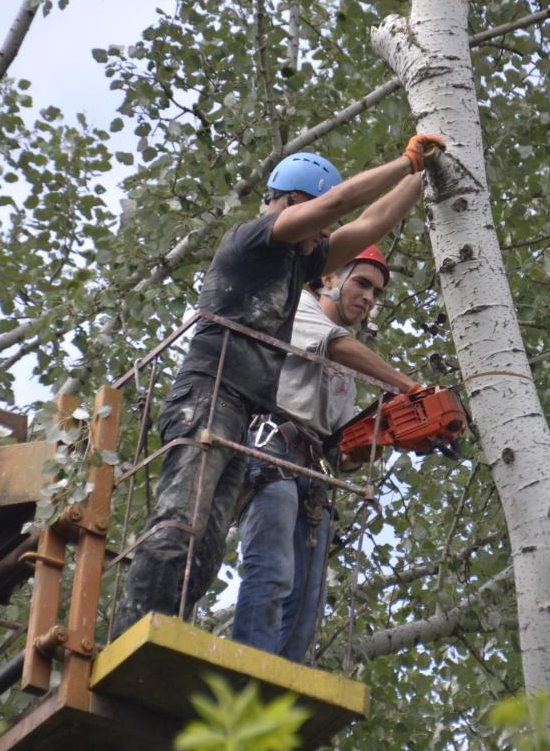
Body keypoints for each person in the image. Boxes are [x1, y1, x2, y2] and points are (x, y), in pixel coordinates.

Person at [110, 135, 445, 637]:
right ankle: (134, 635)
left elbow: (370, 223)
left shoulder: (298, 261)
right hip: (207, 393)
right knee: (181, 526)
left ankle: (168, 633)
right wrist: (405, 160)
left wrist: (422, 177)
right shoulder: (254, 238)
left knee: (202, 549)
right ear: (290, 202)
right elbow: (342, 203)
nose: (324, 235)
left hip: (241, 411)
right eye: (318, 222)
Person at [231, 245, 421, 663]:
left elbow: (340, 449)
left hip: (312, 470)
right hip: (272, 447)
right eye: (363, 283)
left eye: (378, 293)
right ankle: (244, 674)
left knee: (306, 600)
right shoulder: (297, 308)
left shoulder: (347, 369)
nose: (370, 297)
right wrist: (410, 389)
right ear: (330, 278)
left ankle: (274, 693)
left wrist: (383, 436)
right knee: (273, 571)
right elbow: (338, 348)